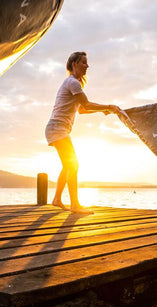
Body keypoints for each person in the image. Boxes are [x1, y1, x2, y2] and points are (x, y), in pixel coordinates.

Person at [45, 51, 120, 214]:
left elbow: (83, 110)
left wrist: (102, 111)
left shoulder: (72, 83)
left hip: (57, 128)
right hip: (57, 127)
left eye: (87, 63)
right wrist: (108, 106)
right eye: (83, 62)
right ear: (74, 64)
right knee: (73, 164)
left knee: (67, 165)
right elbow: (86, 103)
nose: (87, 66)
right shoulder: (72, 82)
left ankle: (57, 199)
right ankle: (75, 205)